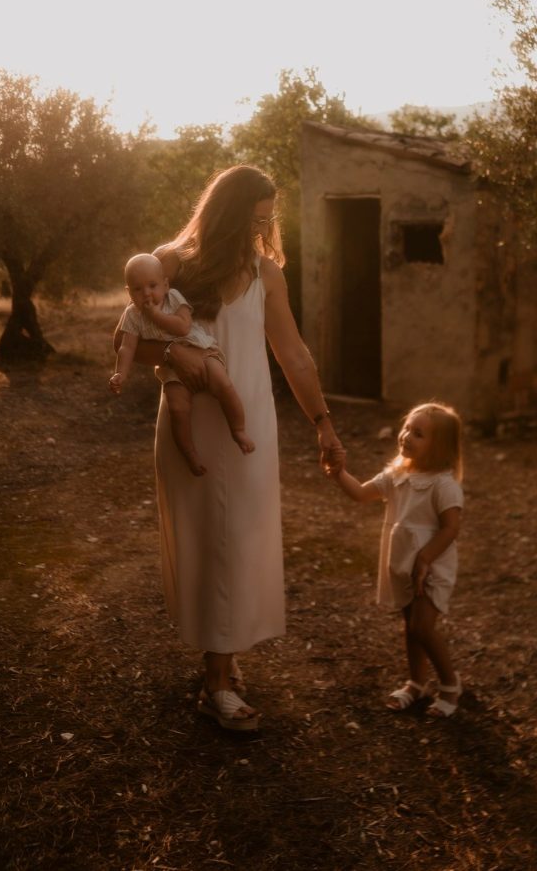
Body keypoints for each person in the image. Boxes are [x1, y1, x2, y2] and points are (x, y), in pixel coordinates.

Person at [114, 165, 343, 731]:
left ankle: (223, 654)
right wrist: (174, 355)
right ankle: (216, 683)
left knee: (239, 538)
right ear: (227, 213)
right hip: (194, 422)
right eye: (254, 219)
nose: (262, 230)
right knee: (213, 540)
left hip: (249, 421)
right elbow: (128, 338)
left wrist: (324, 423)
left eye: (268, 220)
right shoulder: (170, 262)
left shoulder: (266, 273)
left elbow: (294, 355)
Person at [328, 401, 464, 717]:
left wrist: (425, 559)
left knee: (423, 627)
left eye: (418, 434)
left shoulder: (443, 485)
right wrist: (338, 473)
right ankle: (416, 683)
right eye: (407, 428)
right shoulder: (397, 475)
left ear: (439, 447)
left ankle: (450, 685)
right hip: (402, 562)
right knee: (411, 626)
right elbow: (361, 494)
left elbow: (451, 528)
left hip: (431, 567)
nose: (406, 436)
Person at [110, 252, 254, 476]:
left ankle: (238, 429)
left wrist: (155, 315)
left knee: (223, 384)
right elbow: (127, 347)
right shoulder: (132, 315)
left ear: (165, 285)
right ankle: (190, 454)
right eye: (138, 289)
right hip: (170, 367)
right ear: (129, 293)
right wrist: (121, 373)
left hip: (199, 349)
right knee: (177, 409)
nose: (146, 293)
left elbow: (182, 327)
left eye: (152, 286)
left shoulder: (174, 298)